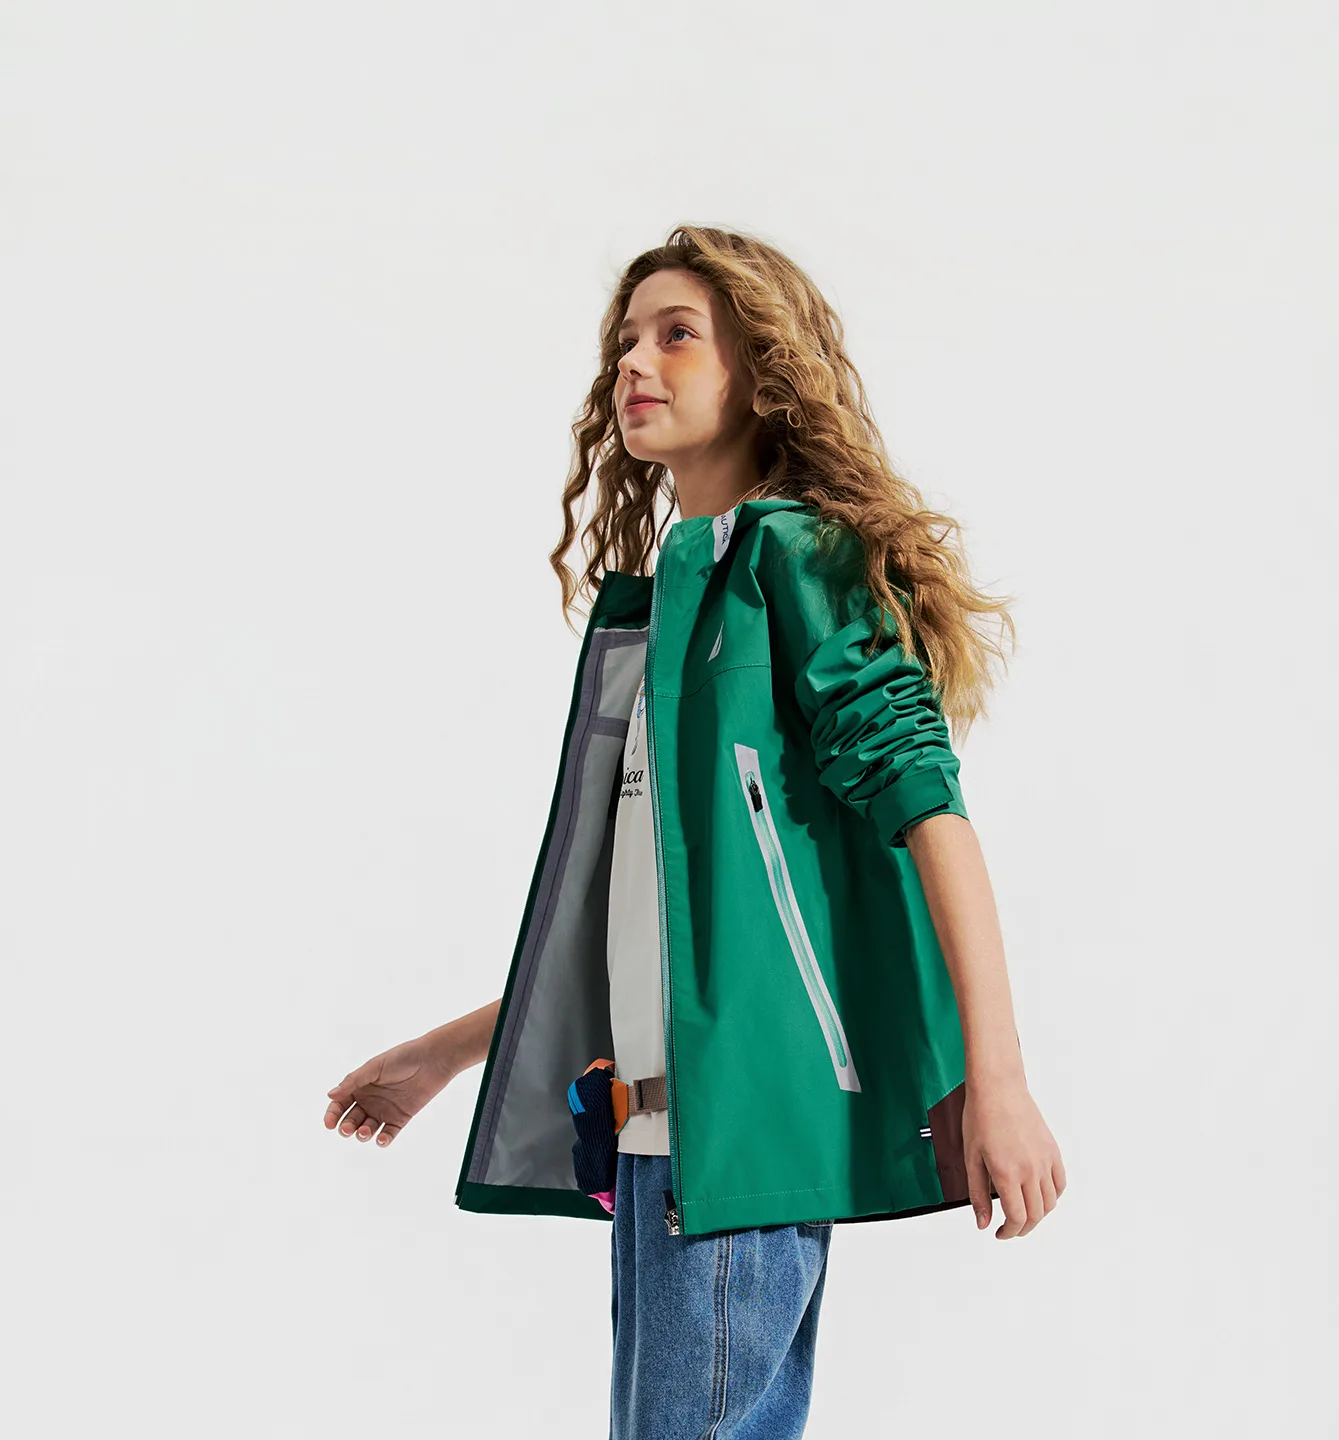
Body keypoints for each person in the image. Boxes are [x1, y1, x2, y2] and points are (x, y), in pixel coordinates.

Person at [322, 224, 1067, 1438]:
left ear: (762, 376)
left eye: (677, 336)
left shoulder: (793, 560)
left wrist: (1001, 1080)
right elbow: (661, 938)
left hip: (737, 1146)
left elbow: (931, 811)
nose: (634, 362)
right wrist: (448, 1053)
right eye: (626, 339)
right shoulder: (681, 602)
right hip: (657, 1152)